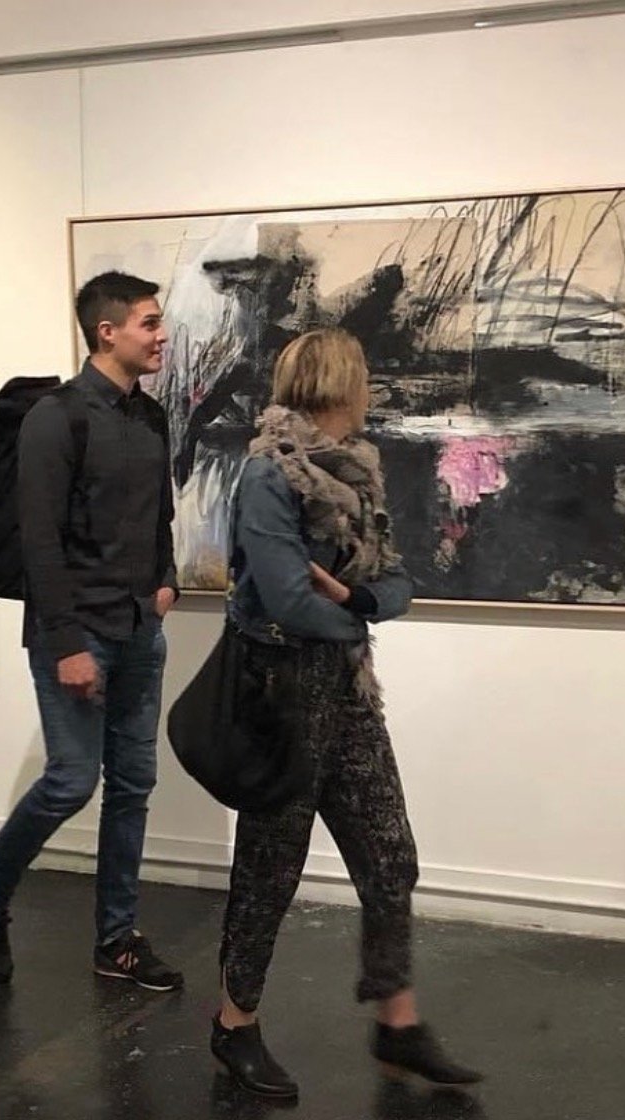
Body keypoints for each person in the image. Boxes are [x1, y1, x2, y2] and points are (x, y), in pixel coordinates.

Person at [211, 328, 480, 1100]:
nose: (368, 391)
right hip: (280, 699)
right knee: (270, 871)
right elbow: (288, 597)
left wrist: (358, 601)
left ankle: (397, 1024)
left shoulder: (359, 473)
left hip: (347, 693)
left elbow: (396, 582)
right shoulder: (268, 476)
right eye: (360, 379)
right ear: (335, 385)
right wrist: (356, 613)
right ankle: (234, 1026)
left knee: (391, 857)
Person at [0, 271, 181, 991]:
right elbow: (40, 543)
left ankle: (115, 939)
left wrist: (166, 577)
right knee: (70, 781)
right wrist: (64, 644)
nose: (161, 335)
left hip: (139, 627)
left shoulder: (150, 417)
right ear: (107, 331)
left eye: (160, 321)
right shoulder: (57, 418)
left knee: (134, 785)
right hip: (77, 630)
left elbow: (158, 514)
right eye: (149, 323)